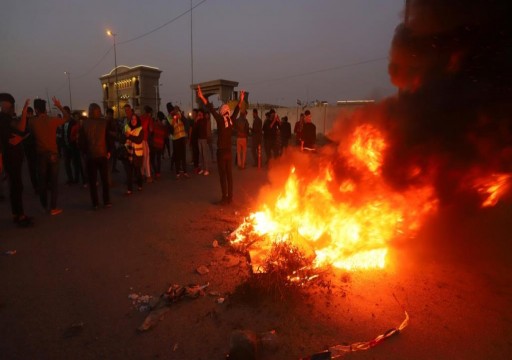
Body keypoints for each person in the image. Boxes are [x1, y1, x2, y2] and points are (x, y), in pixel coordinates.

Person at [197, 85, 244, 205]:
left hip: (221, 152)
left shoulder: (219, 119)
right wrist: (241, 99)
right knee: (229, 176)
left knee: (222, 176)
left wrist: (202, 96)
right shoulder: (231, 120)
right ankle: (230, 198)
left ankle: (224, 198)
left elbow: (210, 108)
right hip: (228, 151)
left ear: (222, 111)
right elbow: (237, 110)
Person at [31, 97, 69, 215]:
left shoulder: (32, 122)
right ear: (45, 109)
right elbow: (67, 117)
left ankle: (44, 205)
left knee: (42, 181)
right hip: (53, 154)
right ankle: (53, 208)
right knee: (54, 182)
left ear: (36, 110)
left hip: (41, 154)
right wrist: (58, 105)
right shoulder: (52, 120)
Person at [0, 94, 33, 227]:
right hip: (10, 157)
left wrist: (24, 113)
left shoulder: (6, 118)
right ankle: (19, 216)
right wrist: (21, 137)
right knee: (16, 187)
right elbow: (19, 133)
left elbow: (21, 131)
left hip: (13, 157)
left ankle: (18, 214)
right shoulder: (3, 119)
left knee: (16, 187)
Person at [79, 103, 112, 210]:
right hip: (102, 154)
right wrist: (109, 151)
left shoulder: (84, 124)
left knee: (93, 182)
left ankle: (95, 203)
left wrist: (84, 153)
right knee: (104, 180)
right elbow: (108, 138)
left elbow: (82, 142)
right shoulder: (104, 122)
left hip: (91, 156)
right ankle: (106, 201)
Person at [122, 104, 144, 195]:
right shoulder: (126, 127)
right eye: (132, 119)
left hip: (137, 153)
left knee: (137, 171)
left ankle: (140, 185)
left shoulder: (140, 129)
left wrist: (129, 136)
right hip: (128, 152)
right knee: (129, 172)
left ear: (137, 120)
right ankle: (129, 189)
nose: (133, 121)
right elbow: (122, 138)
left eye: (135, 119)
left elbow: (139, 140)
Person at [168, 105, 189, 179]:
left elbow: (186, 122)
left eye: (178, 110)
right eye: (175, 110)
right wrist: (174, 118)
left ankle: (185, 172)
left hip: (182, 138)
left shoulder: (180, 116)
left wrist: (180, 116)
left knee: (183, 156)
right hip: (175, 139)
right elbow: (171, 127)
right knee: (177, 156)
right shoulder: (170, 117)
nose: (177, 111)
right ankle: (177, 173)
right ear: (173, 111)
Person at [23, 106, 38, 194]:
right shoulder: (24, 122)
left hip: (34, 147)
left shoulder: (33, 121)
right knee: (33, 168)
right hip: (29, 147)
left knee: (35, 168)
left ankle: (38, 185)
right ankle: (36, 186)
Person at [150, 111, 169, 179]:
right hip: (160, 145)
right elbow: (165, 135)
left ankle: (155, 171)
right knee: (158, 159)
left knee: (152, 159)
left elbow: (151, 131)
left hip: (154, 144)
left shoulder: (155, 124)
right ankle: (158, 172)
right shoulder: (163, 126)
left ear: (158, 117)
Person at [140, 105, 154, 182]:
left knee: (141, 158)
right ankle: (148, 176)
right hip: (144, 140)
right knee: (146, 158)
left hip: (138, 140)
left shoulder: (140, 117)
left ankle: (141, 174)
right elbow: (151, 129)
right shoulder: (149, 118)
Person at [196, 109, 211, 175]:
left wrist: (208, 138)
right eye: (198, 113)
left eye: (199, 113)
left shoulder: (205, 120)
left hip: (204, 139)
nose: (198, 114)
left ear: (202, 113)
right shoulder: (198, 120)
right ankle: (202, 168)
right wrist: (196, 120)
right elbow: (196, 128)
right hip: (199, 139)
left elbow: (207, 129)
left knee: (205, 154)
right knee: (201, 154)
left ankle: (206, 169)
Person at [189, 109, 200, 173]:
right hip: (193, 139)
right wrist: (190, 139)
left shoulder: (198, 121)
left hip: (198, 139)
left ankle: (197, 166)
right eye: (192, 113)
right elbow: (190, 131)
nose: (193, 115)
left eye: (194, 113)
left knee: (197, 153)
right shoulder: (191, 121)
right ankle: (196, 167)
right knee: (195, 153)